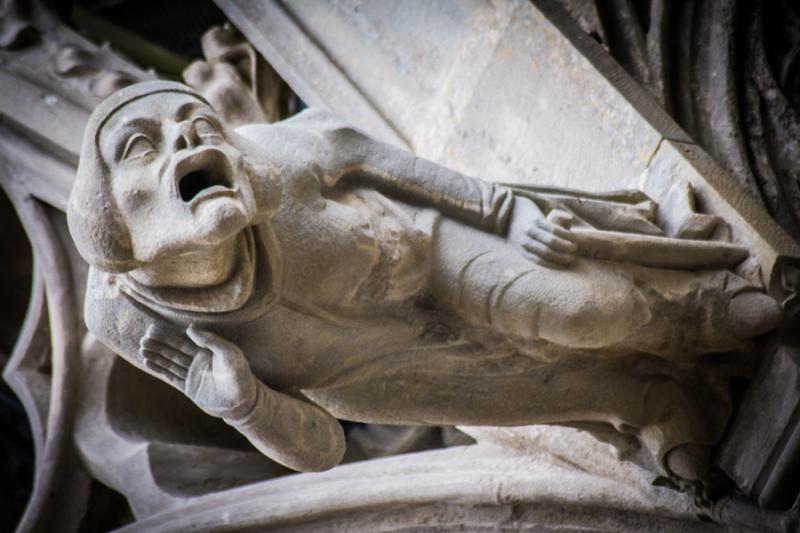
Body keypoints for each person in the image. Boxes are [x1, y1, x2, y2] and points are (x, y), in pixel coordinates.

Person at [68, 81, 781, 478]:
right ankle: (654, 405)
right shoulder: (135, 319)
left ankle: (700, 309)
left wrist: (502, 210)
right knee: (554, 391)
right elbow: (323, 448)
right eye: (140, 146)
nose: (188, 137)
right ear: (112, 221)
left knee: (581, 310)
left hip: (415, 246)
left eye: (194, 118)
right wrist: (245, 404)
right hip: (363, 367)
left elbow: (360, 152)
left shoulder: (266, 164)